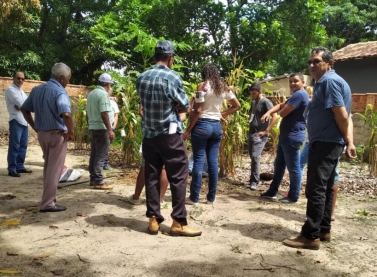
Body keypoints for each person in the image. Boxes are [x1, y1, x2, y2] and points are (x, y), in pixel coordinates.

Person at [283, 47, 356, 250]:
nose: (312, 65)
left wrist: (347, 140)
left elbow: (341, 115)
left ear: (329, 63)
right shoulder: (334, 82)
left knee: (315, 187)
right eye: (310, 62)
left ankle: (310, 235)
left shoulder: (328, 82)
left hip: (325, 142)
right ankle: (323, 229)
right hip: (330, 142)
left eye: (316, 61)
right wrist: (348, 141)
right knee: (327, 186)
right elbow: (347, 116)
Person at [137, 40, 201, 236]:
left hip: (149, 136)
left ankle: (153, 220)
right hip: (169, 135)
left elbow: (142, 106)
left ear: (155, 56)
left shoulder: (142, 77)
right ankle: (178, 222)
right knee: (179, 176)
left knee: (152, 176)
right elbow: (184, 105)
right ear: (170, 57)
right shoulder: (172, 77)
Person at [183, 63, 241, 206]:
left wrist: (188, 129)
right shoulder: (223, 87)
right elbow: (237, 105)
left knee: (198, 161)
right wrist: (222, 114)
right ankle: (211, 198)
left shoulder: (202, 86)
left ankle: (194, 198)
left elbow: (197, 111)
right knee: (213, 163)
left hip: (202, 125)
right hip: (217, 126)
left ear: (204, 74)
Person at [21, 63, 73, 212]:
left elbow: (24, 109)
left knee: (48, 168)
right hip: (57, 135)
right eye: (68, 79)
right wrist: (71, 132)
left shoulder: (37, 90)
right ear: (62, 78)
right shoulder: (59, 92)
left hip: (42, 134)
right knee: (54, 170)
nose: (68, 82)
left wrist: (35, 126)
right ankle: (48, 203)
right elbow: (67, 114)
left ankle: (47, 200)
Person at [260, 72, 309, 203]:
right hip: (287, 135)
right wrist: (269, 111)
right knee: (279, 165)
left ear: (303, 82)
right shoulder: (296, 95)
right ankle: (272, 191)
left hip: (293, 136)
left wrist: (280, 110)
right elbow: (281, 105)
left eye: (296, 81)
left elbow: (283, 112)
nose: (292, 83)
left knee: (294, 167)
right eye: (291, 81)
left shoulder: (299, 95)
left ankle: (293, 196)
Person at [86, 73, 115, 190]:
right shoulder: (103, 94)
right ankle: (98, 181)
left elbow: (87, 113)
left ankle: (93, 178)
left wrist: (89, 125)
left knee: (94, 154)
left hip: (93, 127)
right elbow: (104, 113)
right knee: (100, 155)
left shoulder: (91, 94)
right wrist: (109, 130)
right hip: (101, 128)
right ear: (107, 84)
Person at [247, 82, 278, 190]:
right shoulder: (254, 102)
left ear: (260, 92)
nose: (252, 96)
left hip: (260, 135)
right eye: (251, 93)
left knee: (255, 156)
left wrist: (266, 130)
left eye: (254, 93)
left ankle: (255, 181)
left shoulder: (266, 102)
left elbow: (275, 116)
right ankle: (252, 179)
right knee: (252, 157)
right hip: (252, 133)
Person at [5, 71, 32, 177]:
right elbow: (23, 104)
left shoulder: (21, 91)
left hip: (25, 121)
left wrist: (23, 107)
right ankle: (12, 168)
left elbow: (27, 104)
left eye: (22, 79)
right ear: (13, 78)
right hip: (16, 120)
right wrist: (23, 106)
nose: (20, 80)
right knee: (14, 145)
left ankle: (20, 166)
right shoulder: (10, 90)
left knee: (23, 145)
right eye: (18, 78)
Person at [103, 89, 120, 170]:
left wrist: (114, 126)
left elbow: (116, 115)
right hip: (103, 127)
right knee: (102, 146)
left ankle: (104, 163)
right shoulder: (102, 101)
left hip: (111, 127)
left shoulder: (113, 103)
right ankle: (102, 163)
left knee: (107, 146)